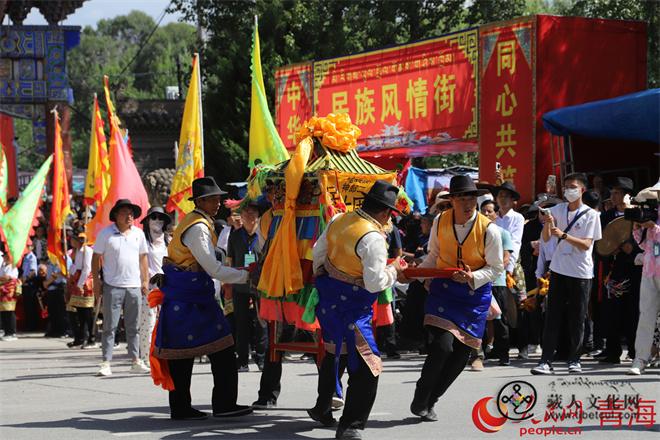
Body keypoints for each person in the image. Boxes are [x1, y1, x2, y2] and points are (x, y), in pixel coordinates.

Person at [310, 180, 407, 439]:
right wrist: (394, 270)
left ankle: (322, 408)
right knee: (368, 366)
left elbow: (317, 254)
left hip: (329, 301)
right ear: (385, 213)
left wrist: (326, 277)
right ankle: (350, 425)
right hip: (353, 307)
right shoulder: (373, 237)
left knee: (334, 352)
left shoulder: (340, 219)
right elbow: (374, 283)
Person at [150, 176, 252, 420]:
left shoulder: (197, 222)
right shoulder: (198, 228)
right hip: (191, 297)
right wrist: (247, 277)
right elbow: (213, 268)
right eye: (211, 199)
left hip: (189, 295)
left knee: (188, 353)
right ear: (199, 201)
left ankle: (185, 407)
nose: (217, 203)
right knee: (217, 350)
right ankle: (218, 405)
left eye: (218, 198)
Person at [409, 175, 502, 420]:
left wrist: (473, 277)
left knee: (461, 356)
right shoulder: (440, 221)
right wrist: (415, 274)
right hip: (445, 292)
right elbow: (433, 256)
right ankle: (421, 394)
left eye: (471, 196)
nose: (467, 202)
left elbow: (496, 268)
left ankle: (432, 399)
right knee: (442, 346)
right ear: (452, 200)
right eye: (461, 197)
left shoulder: (489, 230)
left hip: (474, 296)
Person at [531, 173, 602, 375]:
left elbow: (587, 244)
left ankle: (575, 359)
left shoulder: (591, 215)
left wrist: (563, 235)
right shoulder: (557, 210)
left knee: (577, 317)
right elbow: (545, 239)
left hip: (581, 272)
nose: (568, 190)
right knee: (552, 315)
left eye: (573, 187)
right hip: (559, 269)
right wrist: (547, 222)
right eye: (566, 187)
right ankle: (546, 360)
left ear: (582, 190)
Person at [92, 199, 151, 376]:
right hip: (113, 286)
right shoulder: (106, 234)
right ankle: (106, 362)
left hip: (134, 286)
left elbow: (143, 258)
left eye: (131, 213)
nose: (129, 216)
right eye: (125, 212)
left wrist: (145, 280)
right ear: (116, 216)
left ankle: (135, 360)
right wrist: (96, 281)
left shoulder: (138, 234)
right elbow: (96, 258)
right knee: (110, 326)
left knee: (134, 326)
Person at [227, 201, 267, 371]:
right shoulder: (235, 236)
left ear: (258, 216)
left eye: (253, 213)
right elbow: (229, 261)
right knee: (241, 322)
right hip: (239, 284)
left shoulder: (264, 235)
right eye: (246, 213)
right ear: (241, 216)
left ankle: (261, 358)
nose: (249, 216)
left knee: (262, 322)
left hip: (261, 285)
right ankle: (242, 359)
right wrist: (227, 284)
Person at [629, 181, 660, 375]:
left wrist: (654, 227)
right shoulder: (651, 211)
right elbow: (643, 245)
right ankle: (640, 359)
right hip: (649, 271)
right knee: (646, 317)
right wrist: (638, 226)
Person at [479, 199, 513, 366]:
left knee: (499, 319)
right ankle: (481, 352)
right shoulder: (476, 233)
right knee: (479, 319)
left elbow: (506, 258)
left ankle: (503, 353)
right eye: (483, 211)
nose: (486, 214)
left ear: (496, 214)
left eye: (489, 211)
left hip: (497, 282)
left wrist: (492, 271)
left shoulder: (503, 233)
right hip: (478, 282)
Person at [138, 207, 170, 366]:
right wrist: (145, 279)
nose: (157, 221)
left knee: (167, 322)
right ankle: (146, 358)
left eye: (160, 218)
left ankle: (165, 355)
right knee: (148, 323)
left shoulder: (169, 240)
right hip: (148, 287)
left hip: (167, 287)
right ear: (147, 221)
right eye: (154, 217)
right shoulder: (142, 240)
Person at [67, 233, 95, 348]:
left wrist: (80, 284)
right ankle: (80, 338)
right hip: (77, 279)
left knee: (87, 312)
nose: (71, 241)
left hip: (85, 282)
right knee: (79, 312)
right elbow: (76, 266)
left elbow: (87, 268)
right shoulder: (77, 251)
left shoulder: (87, 251)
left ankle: (91, 338)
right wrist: (71, 273)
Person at [0, 250, 20, 341]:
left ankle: (12, 333)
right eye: (4, 256)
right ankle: (6, 331)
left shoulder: (12, 266)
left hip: (9, 292)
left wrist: (3, 279)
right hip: (2, 291)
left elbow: (8, 278)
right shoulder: (3, 266)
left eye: (7, 256)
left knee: (9, 312)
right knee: (3, 312)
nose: (5, 257)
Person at [20, 244, 40, 331]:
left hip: (30, 283)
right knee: (27, 306)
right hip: (25, 283)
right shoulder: (25, 257)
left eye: (27, 247)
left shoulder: (32, 257)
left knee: (31, 306)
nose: (25, 248)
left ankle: (33, 326)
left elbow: (33, 272)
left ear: (31, 247)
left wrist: (25, 279)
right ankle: (29, 325)